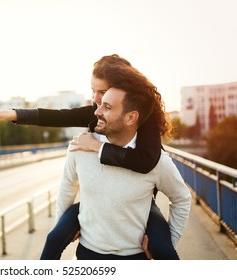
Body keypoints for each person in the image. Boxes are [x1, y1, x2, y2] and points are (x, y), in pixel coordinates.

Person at [0, 54, 179, 259]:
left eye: (102, 92)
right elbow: (56, 116)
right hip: (96, 206)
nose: (96, 99)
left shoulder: (143, 119)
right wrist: (4, 114)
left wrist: (96, 146)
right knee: (55, 237)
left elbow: (146, 162)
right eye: (93, 91)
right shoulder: (98, 111)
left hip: (137, 204)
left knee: (165, 252)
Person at [57, 77, 191, 259]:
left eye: (108, 107)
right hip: (87, 256)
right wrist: (61, 230)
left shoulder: (155, 161)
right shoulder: (80, 147)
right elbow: (66, 188)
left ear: (131, 117)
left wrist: (169, 242)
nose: (97, 111)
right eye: (100, 104)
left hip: (135, 259)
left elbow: (181, 199)